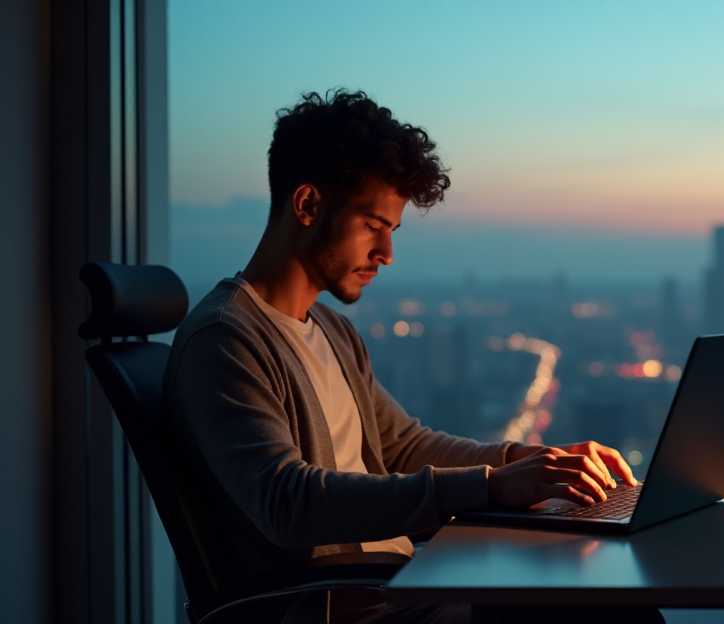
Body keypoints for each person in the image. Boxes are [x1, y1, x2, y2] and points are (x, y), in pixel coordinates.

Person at [165, 89, 662, 624]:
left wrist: (523, 462)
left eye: (392, 231)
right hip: (347, 609)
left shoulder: (330, 329)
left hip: (400, 586)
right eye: (372, 226)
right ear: (308, 205)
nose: (387, 254)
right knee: (611, 611)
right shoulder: (224, 339)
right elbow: (289, 504)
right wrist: (492, 488)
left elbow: (402, 446)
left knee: (601, 591)